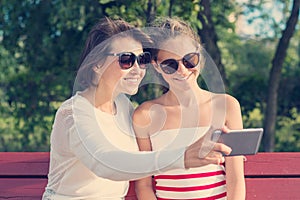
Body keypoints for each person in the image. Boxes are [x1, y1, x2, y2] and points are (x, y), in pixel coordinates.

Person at [42, 17, 232, 200]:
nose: (138, 69)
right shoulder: (74, 113)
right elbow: (105, 163)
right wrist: (182, 157)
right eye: (126, 60)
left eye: (142, 60)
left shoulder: (124, 106)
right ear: (97, 64)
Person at [133, 17, 246, 200]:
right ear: (156, 66)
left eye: (189, 60)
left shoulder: (227, 106)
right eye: (170, 64)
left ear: (199, 56)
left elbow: (235, 180)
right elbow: (144, 185)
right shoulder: (144, 115)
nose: (183, 70)